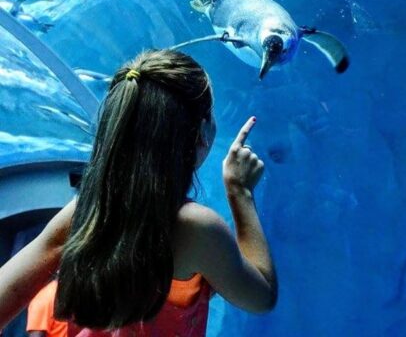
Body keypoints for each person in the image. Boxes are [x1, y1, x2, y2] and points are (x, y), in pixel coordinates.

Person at [0, 49, 277, 336]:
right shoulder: (197, 228)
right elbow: (262, 295)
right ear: (201, 135)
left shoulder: (85, 210)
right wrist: (239, 190)